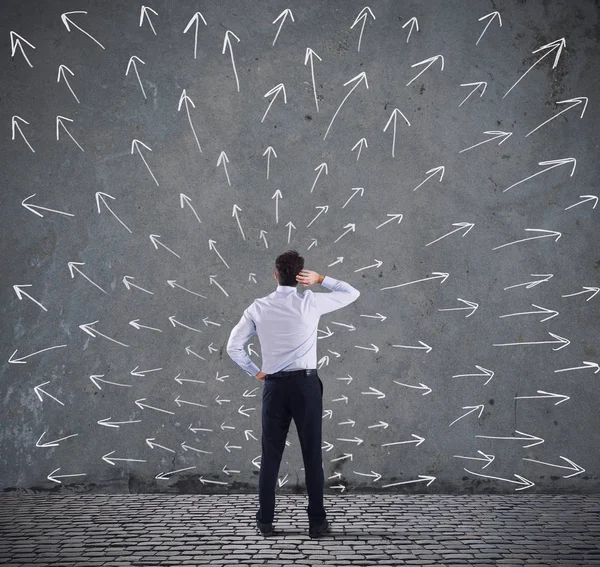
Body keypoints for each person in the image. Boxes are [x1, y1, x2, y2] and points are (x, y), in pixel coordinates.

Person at [226, 249, 360, 538]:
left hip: (274, 386)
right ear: (301, 277)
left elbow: (233, 346)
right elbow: (352, 293)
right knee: (312, 456)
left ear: (275, 275)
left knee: (270, 456)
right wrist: (322, 278)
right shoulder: (310, 301)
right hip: (306, 387)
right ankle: (316, 524)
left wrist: (255, 371)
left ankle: (265, 522)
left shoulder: (258, 307)